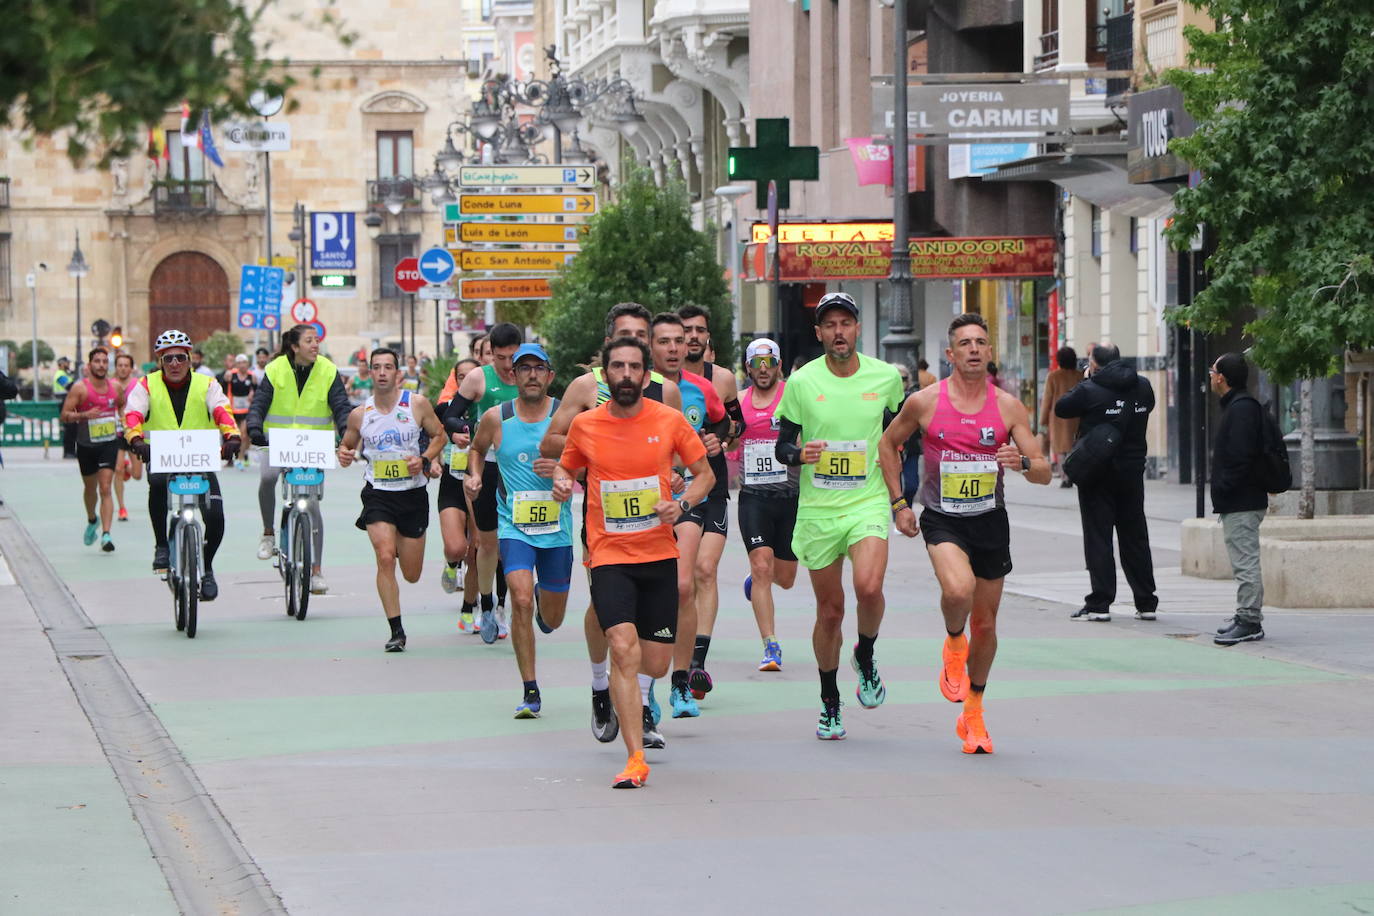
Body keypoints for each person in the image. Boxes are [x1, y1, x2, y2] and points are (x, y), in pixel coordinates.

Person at [879, 312, 1051, 755]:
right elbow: (887, 444)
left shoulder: (1009, 407)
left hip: (990, 520)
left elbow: (1045, 471)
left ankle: (973, 711)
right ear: (950, 353)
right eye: (965, 343)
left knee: (988, 623)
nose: (974, 349)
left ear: (989, 351)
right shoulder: (925, 402)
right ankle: (954, 640)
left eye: (981, 342)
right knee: (959, 590)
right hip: (944, 517)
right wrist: (899, 503)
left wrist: (1022, 463)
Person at [553, 336, 713, 788]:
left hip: (659, 553)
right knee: (623, 647)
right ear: (605, 375)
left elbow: (704, 475)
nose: (626, 375)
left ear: (646, 375)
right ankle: (634, 756)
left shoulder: (669, 421)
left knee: (656, 662)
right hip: (607, 555)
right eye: (617, 367)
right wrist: (564, 483)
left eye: (634, 368)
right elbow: (566, 466)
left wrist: (681, 506)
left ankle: (639, 696)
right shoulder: (586, 425)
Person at [539, 303, 683, 743]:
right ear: (609, 346)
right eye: (627, 336)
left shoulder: (666, 391)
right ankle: (602, 685)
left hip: (653, 516)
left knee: (654, 616)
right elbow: (551, 441)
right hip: (605, 519)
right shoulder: (587, 386)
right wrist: (593, 450)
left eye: (644, 337)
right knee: (608, 609)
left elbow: (676, 450)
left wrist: (676, 473)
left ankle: (642, 702)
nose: (636, 345)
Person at [774, 292, 905, 740]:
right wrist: (799, 453)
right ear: (819, 333)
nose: (838, 332)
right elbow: (782, 446)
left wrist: (898, 501)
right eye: (829, 325)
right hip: (818, 509)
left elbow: (896, 440)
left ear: (857, 328)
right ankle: (830, 699)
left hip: (866, 501)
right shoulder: (802, 382)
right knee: (830, 612)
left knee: (869, 587)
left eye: (845, 323)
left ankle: (865, 653)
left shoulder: (886, 378)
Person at [467, 343, 572, 717]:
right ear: (513, 375)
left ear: (549, 376)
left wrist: (564, 476)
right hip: (515, 526)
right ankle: (530, 689)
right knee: (521, 599)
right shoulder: (497, 418)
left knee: (553, 619)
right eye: (523, 368)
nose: (531, 375)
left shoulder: (566, 417)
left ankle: (548, 596)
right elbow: (477, 450)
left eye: (538, 368)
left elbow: (590, 462)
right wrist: (475, 476)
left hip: (557, 530)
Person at [337, 348, 446, 651]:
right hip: (378, 494)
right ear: (369, 373)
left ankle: (401, 540)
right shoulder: (360, 414)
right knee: (385, 557)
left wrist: (424, 458)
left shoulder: (417, 404)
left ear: (398, 374)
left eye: (388, 367)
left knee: (411, 574)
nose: (382, 372)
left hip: (412, 495)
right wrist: (344, 454)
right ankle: (396, 631)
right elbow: (347, 445)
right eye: (376, 367)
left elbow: (440, 436)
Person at [649, 312, 728, 718]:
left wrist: (715, 440)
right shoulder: (631, 390)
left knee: (685, 585)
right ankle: (642, 682)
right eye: (665, 341)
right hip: (635, 503)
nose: (675, 348)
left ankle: (682, 681)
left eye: (680, 340)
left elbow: (725, 422)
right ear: (650, 347)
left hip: (686, 499)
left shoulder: (699, 389)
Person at [123, 329, 241, 598]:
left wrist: (232, 436)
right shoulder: (146, 385)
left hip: (199, 459)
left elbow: (223, 410)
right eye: (168, 359)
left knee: (215, 514)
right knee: (156, 484)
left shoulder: (207, 384)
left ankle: (207, 567)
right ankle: (161, 546)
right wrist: (136, 439)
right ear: (159, 362)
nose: (174, 364)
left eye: (180, 358)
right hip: (161, 459)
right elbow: (132, 414)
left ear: (189, 359)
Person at [1054, 344, 1158, 622]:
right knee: (1135, 535)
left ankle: (1100, 603)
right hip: (1133, 471)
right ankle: (1146, 601)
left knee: (1098, 536)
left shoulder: (1090, 388)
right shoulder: (1144, 385)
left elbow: (1062, 408)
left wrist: (1088, 379)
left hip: (1097, 471)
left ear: (1095, 363)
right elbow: (1148, 406)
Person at [246, 324, 352, 595]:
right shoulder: (276, 369)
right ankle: (269, 533)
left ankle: (316, 570)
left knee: (313, 505)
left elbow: (340, 406)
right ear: (294, 347)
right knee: (268, 477)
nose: (315, 345)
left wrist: (346, 432)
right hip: (276, 442)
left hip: (313, 446)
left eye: (316, 340)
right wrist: (254, 426)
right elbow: (260, 402)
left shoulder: (328, 370)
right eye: (309, 341)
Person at [678, 304, 746, 696]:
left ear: (708, 338)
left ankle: (697, 661)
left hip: (713, 486)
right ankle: (677, 655)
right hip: (673, 490)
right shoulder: (661, 382)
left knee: (706, 569)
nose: (692, 337)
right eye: (685, 330)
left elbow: (735, 426)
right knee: (681, 580)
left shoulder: (720, 379)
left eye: (699, 330)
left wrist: (721, 438)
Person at [442, 323, 523, 641]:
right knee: (487, 544)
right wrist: (459, 428)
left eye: (511, 357)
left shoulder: (531, 374)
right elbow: (451, 413)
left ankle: (503, 606)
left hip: (520, 470)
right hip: (485, 466)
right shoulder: (479, 378)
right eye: (500, 358)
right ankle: (486, 603)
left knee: (510, 543)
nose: (507, 365)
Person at [737, 338, 798, 671]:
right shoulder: (739, 402)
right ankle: (770, 646)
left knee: (785, 578)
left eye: (769, 364)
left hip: (790, 497)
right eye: (757, 365)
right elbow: (728, 437)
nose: (764, 370)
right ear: (748, 368)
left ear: (778, 365)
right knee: (762, 566)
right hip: (754, 498)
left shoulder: (792, 396)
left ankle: (757, 579)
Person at [1208, 352, 1268, 646]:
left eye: (1213, 371)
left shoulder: (1242, 409)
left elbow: (1241, 457)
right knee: (1243, 559)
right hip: (1240, 498)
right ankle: (1244, 615)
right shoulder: (1238, 406)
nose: (1210, 376)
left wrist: (1224, 486)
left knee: (1246, 561)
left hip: (1242, 499)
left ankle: (1249, 620)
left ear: (1222, 377)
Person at [59, 347, 125, 552]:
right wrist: (83, 415)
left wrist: (122, 421)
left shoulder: (115, 388)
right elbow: (65, 415)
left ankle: (106, 535)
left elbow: (122, 406)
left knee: (105, 487)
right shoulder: (80, 388)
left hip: (109, 443)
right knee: (90, 488)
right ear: (89, 366)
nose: (101, 365)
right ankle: (92, 518)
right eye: (97, 361)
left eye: (105, 361)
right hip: (86, 445)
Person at [434, 357, 479, 624]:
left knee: (476, 550)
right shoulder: (447, 409)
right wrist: (433, 459)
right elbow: (436, 433)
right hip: (452, 482)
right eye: (460, 376)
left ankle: (468, 608)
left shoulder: (488, 408)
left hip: (479, 481)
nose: (466, 380)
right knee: (456, 547)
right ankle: (451, 564)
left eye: (471, 375)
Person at [1039, 346, 1081, 487]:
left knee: (1061, 448)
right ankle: (1073, 475)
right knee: (1073, 447)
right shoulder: (1079, 376)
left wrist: (1043, 419)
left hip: (1058, 418)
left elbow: (1047, 400)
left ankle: (1065, 477)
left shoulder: (1053, 376)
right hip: (1076, 417)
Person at [111, 351, 143, 521]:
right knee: (117, 470)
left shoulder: (138, 385)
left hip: (134, 432)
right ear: (116, 368)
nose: (123, 369)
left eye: (126, 366)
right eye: (120, 365)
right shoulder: (110, 385)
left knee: (138, 475)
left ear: (131, 368)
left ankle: (128, 469)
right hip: (115, 433)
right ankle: (122, 508)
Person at [223, 354, 257, 469]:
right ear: (236, 365)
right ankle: (231, 457)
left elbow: (256, 390)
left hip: (246, 409)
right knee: (234, 435)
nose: (242, 365)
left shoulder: (252, 376)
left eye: (244, 362)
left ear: (248, 364)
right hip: (233, 409)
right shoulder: (230, 375)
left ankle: (240, 457)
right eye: (240, 363)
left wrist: (253, 393)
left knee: (244, 435)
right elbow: (224, 386)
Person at [55, 357, 78, 459]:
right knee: (69, 428)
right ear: (61, 364)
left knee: (73, 428)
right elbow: (70, 386)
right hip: (64, 402)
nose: (68, 364)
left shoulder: (65, 374)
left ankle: (72, 451)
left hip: (68, 401)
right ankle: (68, 452)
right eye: (67, 363)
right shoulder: (60, 375)